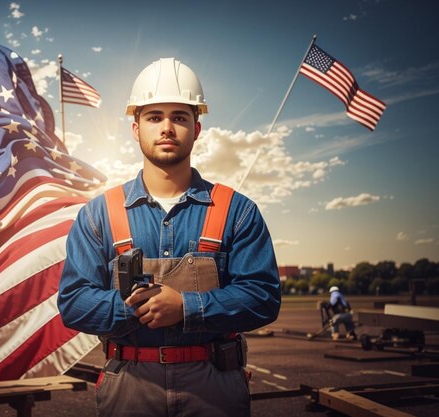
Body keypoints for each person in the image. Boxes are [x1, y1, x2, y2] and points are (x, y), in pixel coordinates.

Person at [58, 57, 281, 417]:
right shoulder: (99, 214)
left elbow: (263, 297)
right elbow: (74, 302)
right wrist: (137, 309)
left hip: (214, 386)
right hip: (130, 384)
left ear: (197, 128)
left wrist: (186, 308)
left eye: (179, 117)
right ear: (136, 129)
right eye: (154, 117)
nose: (167, 128)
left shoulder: (236, 211)